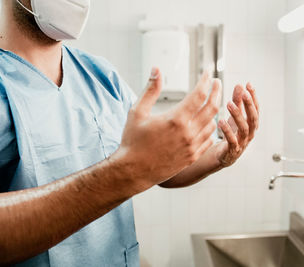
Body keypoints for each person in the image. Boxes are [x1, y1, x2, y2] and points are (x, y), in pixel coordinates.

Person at [0, 0, 259, 266]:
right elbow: (134, 168)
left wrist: (219, 154)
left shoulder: (101, 76)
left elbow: (155, 164)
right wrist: (124, 173)